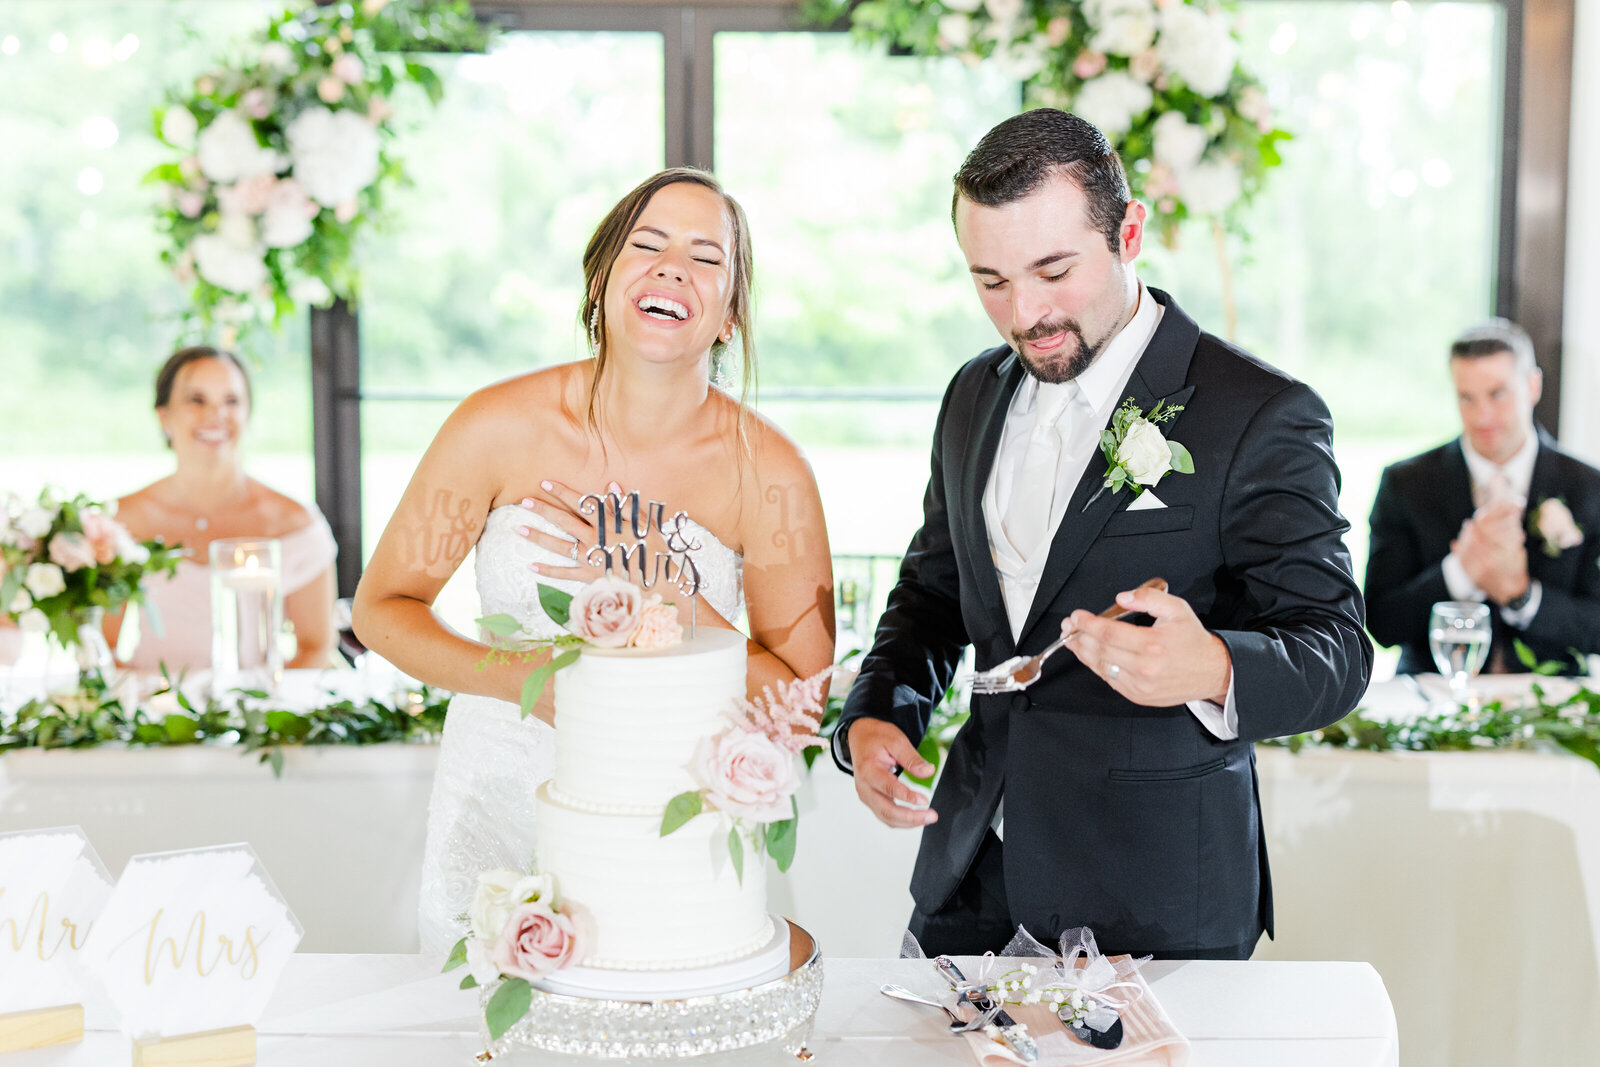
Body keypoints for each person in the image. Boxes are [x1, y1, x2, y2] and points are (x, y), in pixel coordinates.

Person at [832, 109, 1371, 961]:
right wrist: (875, 714)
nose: (1025, 312)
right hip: (968, 879)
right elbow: (935, 592)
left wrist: (1215, 666)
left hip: (1154, 899)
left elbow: (1338, 649)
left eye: (1053, 270)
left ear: (1128, 232)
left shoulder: (1260, 414)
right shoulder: (971, 394)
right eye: (991, 280)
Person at [351, 167, 836, 954]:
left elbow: (803, 706)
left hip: (669, 817)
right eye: (647, 244)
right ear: (601, 278)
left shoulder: (770, 473)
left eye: (706, 257)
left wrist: (684, 605)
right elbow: (381, 610)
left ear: (728, 317)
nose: (672, 265)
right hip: (498, 794)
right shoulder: (494, 426)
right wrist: (517, 678)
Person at [1365, 319, 1600, 675]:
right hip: (1433, 697)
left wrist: (1521, 594)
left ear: (1532, 386)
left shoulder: (1588, 486)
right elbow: (1382, 624)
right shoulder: (1407, 483)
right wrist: (1460, 573)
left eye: (1497, 394)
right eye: (1466, 398)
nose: (1482, 416)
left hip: (1551, 703)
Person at [105, 347, 338, 675]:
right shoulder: (121, 522)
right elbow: (101, 648)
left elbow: (314, 647)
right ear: (164, 416)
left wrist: (258, 709)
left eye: (231, 401)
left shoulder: (293, 522)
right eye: (196, 400)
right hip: (152, 713)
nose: (216, 415)